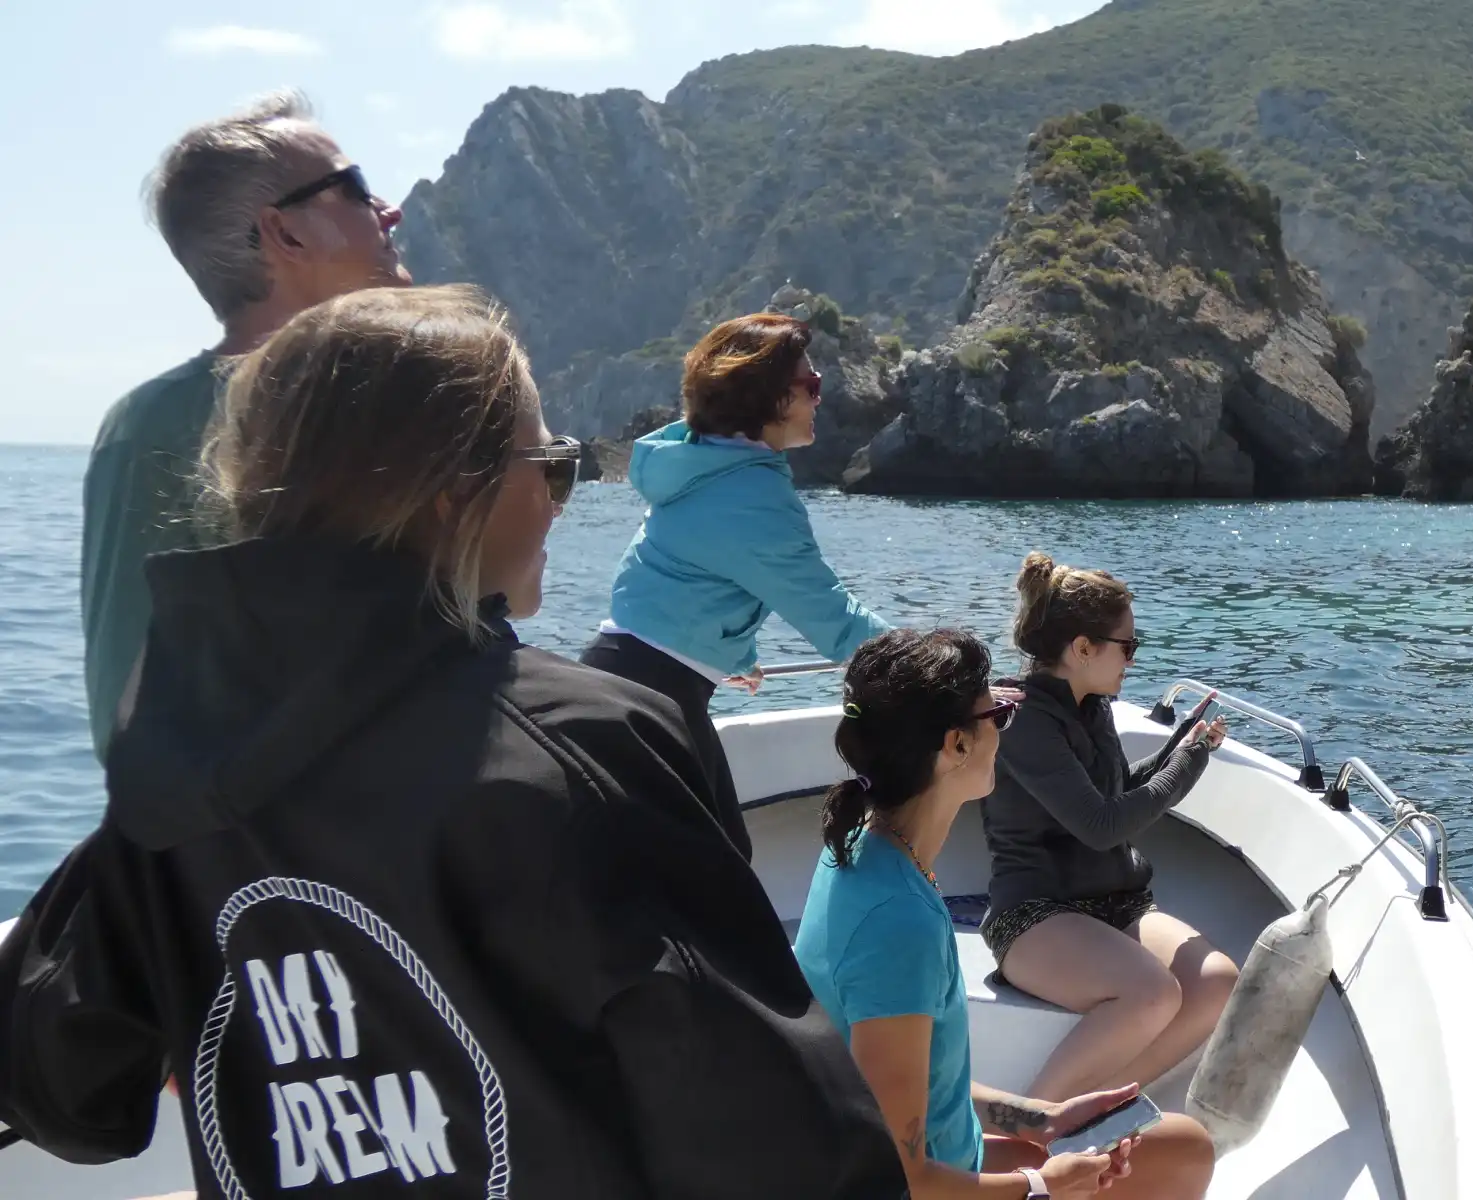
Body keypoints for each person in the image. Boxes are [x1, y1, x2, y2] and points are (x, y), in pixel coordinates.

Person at [0, 286, 906, 1198]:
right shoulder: (591, 744)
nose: (563, 499)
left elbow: (61, 1095)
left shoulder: (174, 777)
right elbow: (795, 1148)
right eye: (551, 465)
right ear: (449, 492)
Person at [794, 628, 1214, 1200]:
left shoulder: (859, 852)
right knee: (1185, 1155)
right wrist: (1038, 1185)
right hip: (923, 1184)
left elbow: (918, 1089)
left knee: (1180, 1144)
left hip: (937, 1157)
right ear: (955, 745)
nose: (1004, 731)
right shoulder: (898, 922)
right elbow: (898, 1178)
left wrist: (1041, 1118)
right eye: (999, 717)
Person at [82, 89, 410, 763]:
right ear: (285, 233)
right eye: (355, 189)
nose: (389, 210)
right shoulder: (355, 413)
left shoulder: (138, 421)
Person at [583, 312, 890, 859]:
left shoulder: (706, 466)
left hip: (628, 678)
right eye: (810, 386)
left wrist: (726, 653)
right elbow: (834, 621)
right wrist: (938, 667)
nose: (820, 399)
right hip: (653, 698)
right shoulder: (749, 493)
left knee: (710, 874)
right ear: (766, 397)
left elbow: (681, 576)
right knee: (714, 880)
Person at [980, 553, 1238, 1102]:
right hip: (1034, 913)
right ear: (1081, 649)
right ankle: (1035, 1124)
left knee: (1216, 982)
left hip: (1114, 903)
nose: (1132, 660)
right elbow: (1101, 826)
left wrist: (1180, 748)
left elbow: (1114, 793)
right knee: (1153, 994)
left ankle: (1099, 1109)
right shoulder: (1024, 719)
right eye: (1128, 646)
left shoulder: (1090, 706)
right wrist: (1188, 766)